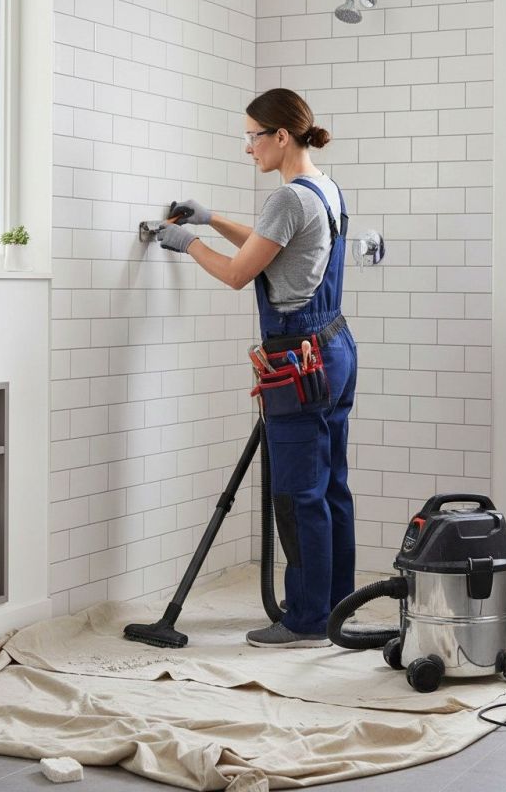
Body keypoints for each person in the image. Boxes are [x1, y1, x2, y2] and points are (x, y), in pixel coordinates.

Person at [157, 88, 357, 648]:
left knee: (298, 493)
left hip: (296, 360)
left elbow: (239, 273)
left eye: (252, 135)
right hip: (335, 347)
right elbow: (275, 251)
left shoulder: (288, 197)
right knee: (331, 485)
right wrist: (213, 218)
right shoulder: (325, 188)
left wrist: (186, 242)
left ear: (281, 136)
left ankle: (308, 619)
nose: (248, 148)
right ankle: (337, 606)